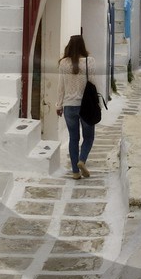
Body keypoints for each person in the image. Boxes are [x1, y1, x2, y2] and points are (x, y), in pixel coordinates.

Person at [46, 35, 95, 179]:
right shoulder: (89, 62)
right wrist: (96, 104)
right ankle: (82, 160)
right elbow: (92, 84)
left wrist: (58, 105)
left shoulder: (63, 63)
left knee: (73, 138)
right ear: (82, 46)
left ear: (69, 46)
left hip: (69, 107)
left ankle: (75, 172)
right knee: (89, 137)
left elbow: (60, 87)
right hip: (86, 106)